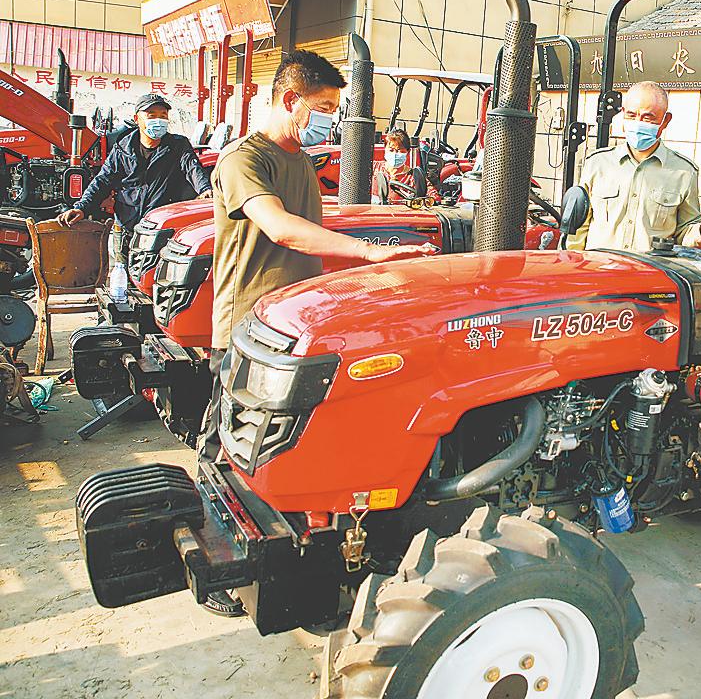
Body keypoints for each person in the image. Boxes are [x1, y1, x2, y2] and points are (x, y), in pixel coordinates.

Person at [201, 49, 436, 616]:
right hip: (249, 328)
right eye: (325, 106)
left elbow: (315, 237)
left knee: (276, 451)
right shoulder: (243, 160)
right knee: (223, 447)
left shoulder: (300, 160)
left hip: (296, 328)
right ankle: (215, 574)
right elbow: (283, 230)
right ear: (290, 101)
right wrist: (368, 251)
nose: (332, 116)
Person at [60, 93, 212, 263]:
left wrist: (205, 189)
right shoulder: (123, 149)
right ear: (137, 119)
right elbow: (103, 181)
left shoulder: (178, 146)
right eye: (151, 115)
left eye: (163, 116)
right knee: (122, 276)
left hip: (159, 230)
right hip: (126, 226)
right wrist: (81, 208)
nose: (159, 120)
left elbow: (192, 168)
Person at [567, 81, 701, 251]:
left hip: (647, 274)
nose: (638, 122)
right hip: (599, 271)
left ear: (665, 120)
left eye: (648, 117)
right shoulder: (597, 164)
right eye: (631, 115)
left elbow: (685, 231)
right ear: (623, 113)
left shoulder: (684, 172)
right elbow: (578, 228)